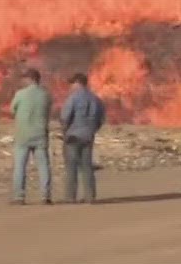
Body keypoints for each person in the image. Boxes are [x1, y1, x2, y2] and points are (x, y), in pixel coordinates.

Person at [59, 72, 108, 204]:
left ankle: (70, 197)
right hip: (88, 136)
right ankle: (90, 196)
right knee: (87, 166)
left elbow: (65, 116)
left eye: (72, 83)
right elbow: (101, 118)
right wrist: (92, 130)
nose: (71, 86)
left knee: (71, 167)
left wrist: (65, 130)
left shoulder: (73, 98)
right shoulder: (96, 99)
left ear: (78, 83)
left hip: (73, 136)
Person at [9, 67, 53, 205]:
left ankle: (19, 196)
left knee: (20, 166)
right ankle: (45, 196)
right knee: (43, 165)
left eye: (25, 78)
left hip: (23, 134)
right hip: (40, 134)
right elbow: (48, 110)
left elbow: (12, 110)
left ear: (30, 79)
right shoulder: (45, 95)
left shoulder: (20, 94)